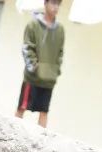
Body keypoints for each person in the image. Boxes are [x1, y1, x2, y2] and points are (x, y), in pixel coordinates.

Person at [15, 0, 65, 129]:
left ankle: (42, 142)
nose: (56, 7)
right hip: (32, 77)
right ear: (45, 3)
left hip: (49, 79)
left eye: (58, 4)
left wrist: (56, 70)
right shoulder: (33, 25)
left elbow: (60, 52)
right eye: (53, 3)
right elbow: (27, 48)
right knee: (22, 107)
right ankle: (12, 133)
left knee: (44, 111)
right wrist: (34, 68)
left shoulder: (60, 30)